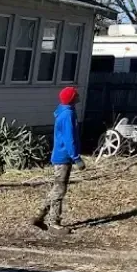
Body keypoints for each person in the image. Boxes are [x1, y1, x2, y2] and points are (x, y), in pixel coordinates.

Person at [33, 86, 85, 231]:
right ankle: (53, 222)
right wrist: (76, 158)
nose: (78, 96)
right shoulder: (68, 114)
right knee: (59, 190)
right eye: (76, 95)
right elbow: (69, 138)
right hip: (63, 157)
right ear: (72, 99)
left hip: (60, 155)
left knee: (57, 188)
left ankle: (39, 216)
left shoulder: (63, 111)